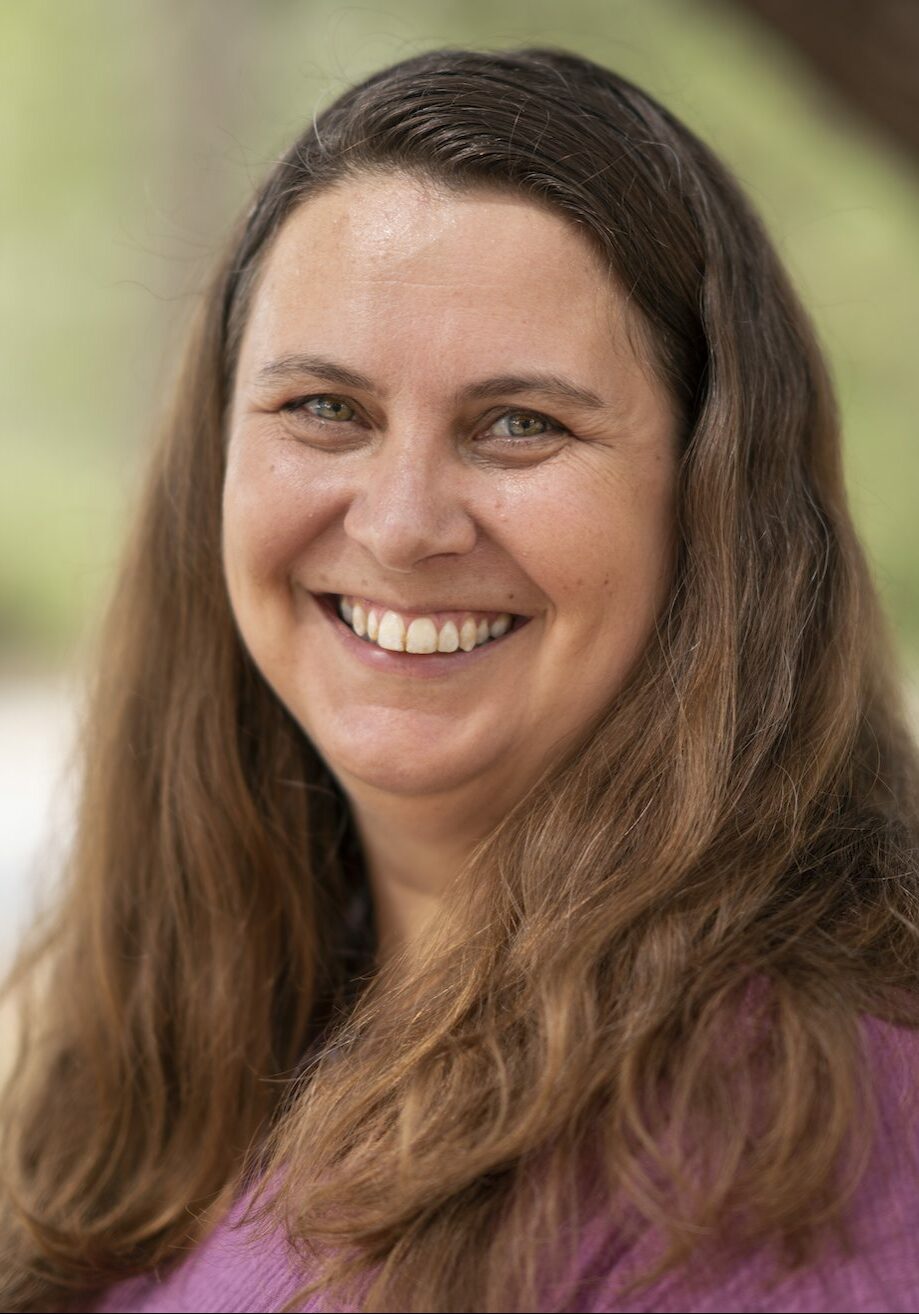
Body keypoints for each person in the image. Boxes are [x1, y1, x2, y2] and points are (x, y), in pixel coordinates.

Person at [2, 46, 918, 1314]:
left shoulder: (802, 1138)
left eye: (520, 425)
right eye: (325, 408)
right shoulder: (196, 1036)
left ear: (716, 512)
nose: (401, 524)